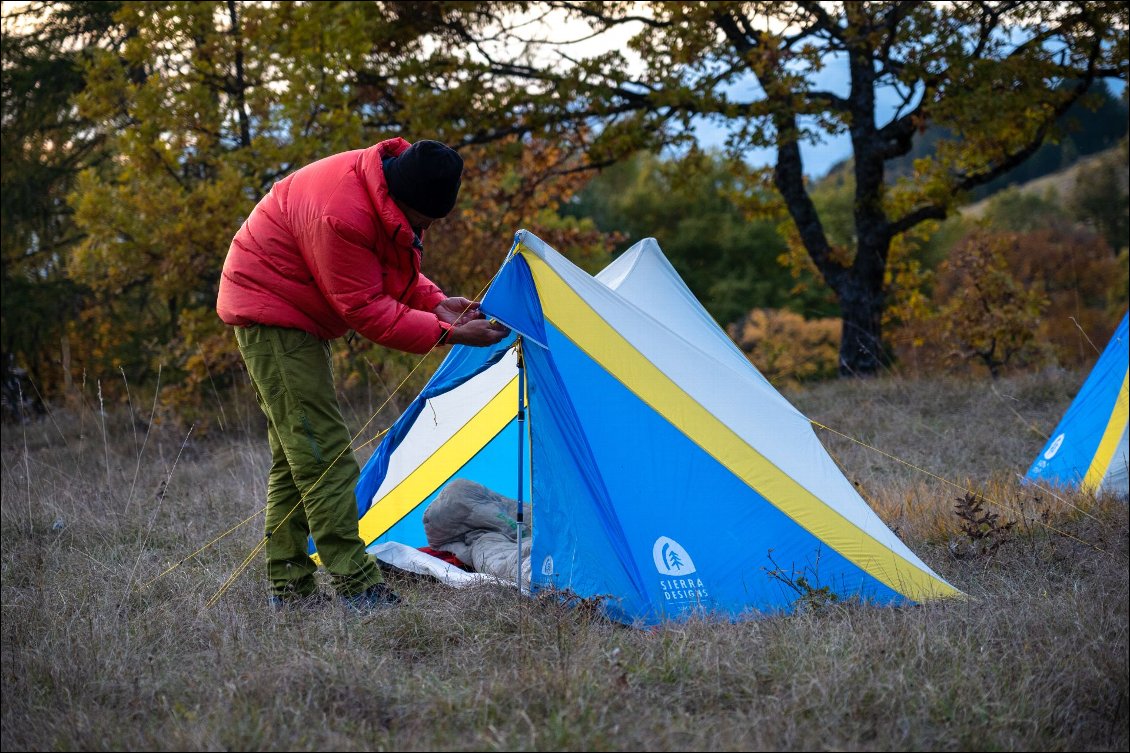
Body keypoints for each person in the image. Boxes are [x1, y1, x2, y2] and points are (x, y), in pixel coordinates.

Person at [216, 137, 510, 611]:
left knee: (300, 457)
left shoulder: (382, 191)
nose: (426, 229)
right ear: (408, 201)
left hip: (295, 312)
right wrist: (449, 335)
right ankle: (356, 584)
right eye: (425, 221)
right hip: (270, 310)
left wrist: (436, 302)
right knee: (322, 453)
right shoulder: (342, 215)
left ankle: (288, 589)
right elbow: (367, 309)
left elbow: (389, 273)